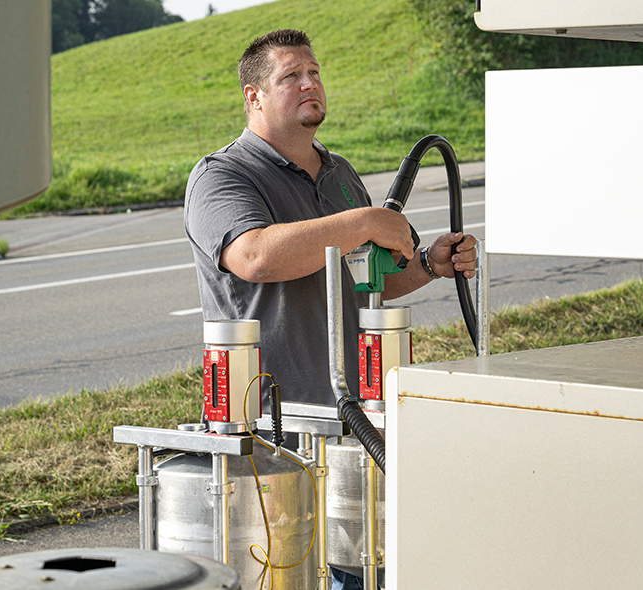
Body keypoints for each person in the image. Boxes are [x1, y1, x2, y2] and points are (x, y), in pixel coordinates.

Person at [183, 29, 477, 589]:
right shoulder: (222, 175)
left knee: (361, 567)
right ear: (254, 98)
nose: (308, 82)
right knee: (281, 573)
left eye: (314, 72)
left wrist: (430, 264)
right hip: (269, 426)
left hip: (351, 421)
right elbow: (254, 256)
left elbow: (366, 283)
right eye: (289, 76)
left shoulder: (340, 174)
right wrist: (363, 222)